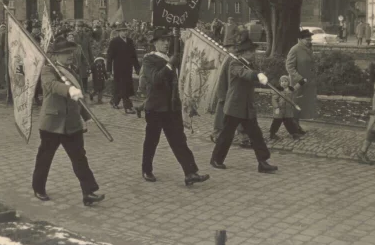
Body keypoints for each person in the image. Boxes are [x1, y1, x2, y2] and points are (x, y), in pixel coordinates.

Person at [33, 37, 105, 206]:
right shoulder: (48, 70)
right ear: (56, 56)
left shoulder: (72, 70)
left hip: (72, 123)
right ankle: (38, 188)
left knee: (80, 158)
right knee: (45, 158)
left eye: (71, 53)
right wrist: (69, 89)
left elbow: (78, 97)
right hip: (52, 122)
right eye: (65, 53)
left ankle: (89, 192)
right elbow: (52, 86)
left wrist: (86, 116)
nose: (69, 56)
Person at [139, 28, 211, 185]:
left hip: (172, 108)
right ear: (155, 43)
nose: (166, 43)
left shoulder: (173, 59)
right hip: (156, 108)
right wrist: (170, 64)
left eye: (168, 40)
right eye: (162, 40)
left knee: (179, 141)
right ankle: (146, 169)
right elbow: (155, 79)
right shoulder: (149, 59)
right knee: (152, 140)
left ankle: (190, 173)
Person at [210, 31, 277, 173]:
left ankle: (263, 162)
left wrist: (258, 75)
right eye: (251, 51)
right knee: (226, 135)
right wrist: (255, 74)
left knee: (256, 135)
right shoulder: (234, 63)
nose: (253, 53)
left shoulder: (250, 64)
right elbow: (243, 74)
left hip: (247, 107)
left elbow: (251, 76)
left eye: (253, 51)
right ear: (244, 52)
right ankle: (216, 159)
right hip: (234, 106)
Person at [286, 29, 318, 133]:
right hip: (298, 84)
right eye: (307, 39)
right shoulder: (295, 49)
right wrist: (299, 79)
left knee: (303, 104)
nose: (309, 41)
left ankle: (296, 124)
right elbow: (289, 67)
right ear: (300, 39)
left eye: (310, 39)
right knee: (296, 103)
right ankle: (294, 127)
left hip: (308, 82)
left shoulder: (309, 49)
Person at [106, 26, 140, 113]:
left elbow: (133, 56)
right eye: (123, 31)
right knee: (123, 87)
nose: (125, 32)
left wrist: (137, 68)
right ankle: (128, 107)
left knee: (121, 87)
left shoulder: (130, 41)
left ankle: (114, 101)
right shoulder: (114, 42)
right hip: (118, 69)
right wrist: (109, 70)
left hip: (128, 68)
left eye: (126, 31)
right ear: (119, 32)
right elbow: (109, 57)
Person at [269, 75, 301, 140]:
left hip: (288, 111)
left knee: (290, 123)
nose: (284, 83)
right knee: (276, 123)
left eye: (285, 81)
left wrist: (301, 82)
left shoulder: (290, 90)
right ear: (280, 82)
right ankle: (272, 134)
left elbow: (296, 87)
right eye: (282, 81)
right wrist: (276, 107)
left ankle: (294, 133)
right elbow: (274, 100)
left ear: (288, 82)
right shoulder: (277, 90)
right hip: (279, 110)